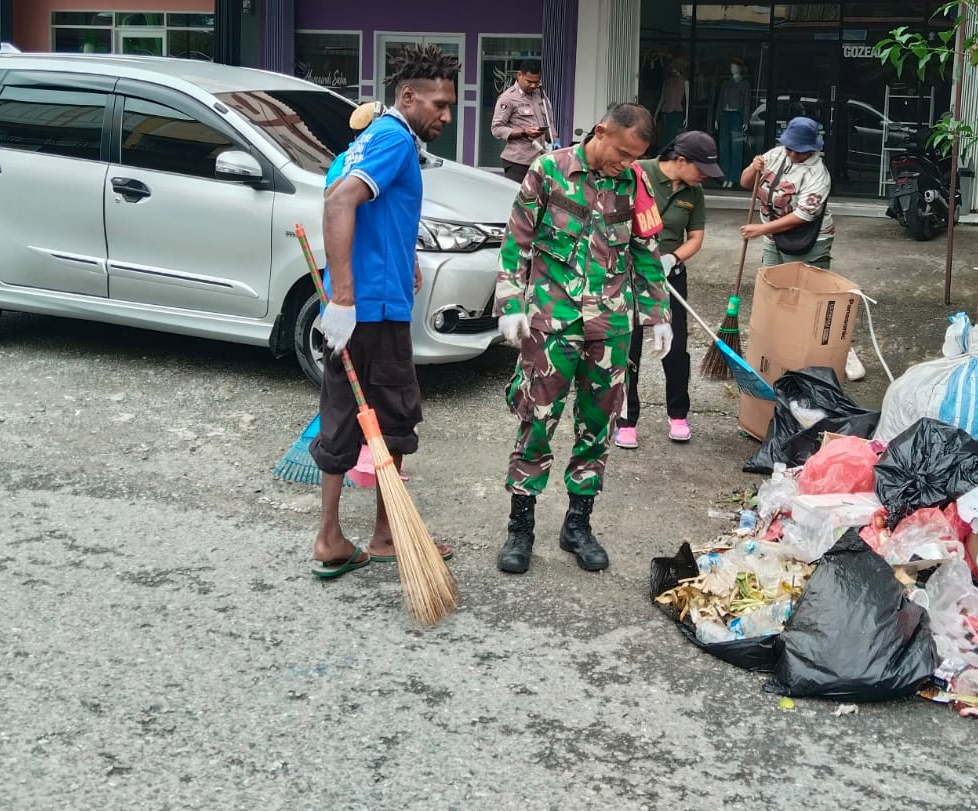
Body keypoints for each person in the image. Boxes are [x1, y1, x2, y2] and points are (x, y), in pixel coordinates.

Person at [493, 102, 672, 575]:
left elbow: (647, 251)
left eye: (636, 157)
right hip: (553, 319)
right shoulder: (547, 171)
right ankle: (521, 528)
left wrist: (659, 315)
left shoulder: (635, 183)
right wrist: (511, 303)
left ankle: (577, 525)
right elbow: (518, 240)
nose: (625, 163)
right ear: (601, 132)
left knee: (599, 427)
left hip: (611, 324)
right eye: (621, 153)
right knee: (538, 420)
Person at [308, 44, 459, 580]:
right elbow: (339, 202)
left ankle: (330, 538)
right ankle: (385, 534)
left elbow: (370, 209)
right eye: (438, 105)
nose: (445, 116)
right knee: (393, 417)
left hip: (361, 304)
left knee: (341, 417)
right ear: (408, 95)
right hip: (372, 310)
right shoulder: (394, 139)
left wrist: (406, 253)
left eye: (450, 107)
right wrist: (347, 298)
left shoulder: (369, 139)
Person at [615, 130, 721, 449]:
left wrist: (672, 257)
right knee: (628, 346)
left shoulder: (694, 191)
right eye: (701, 169)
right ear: (681, 160)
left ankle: (678, 414)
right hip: (630, 274)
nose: (704, 177)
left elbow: (696, 238)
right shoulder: (637, 172)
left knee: (675, 348)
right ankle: (626, 419)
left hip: (670, 275)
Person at [739, 116, 836, 271]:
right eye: (789, 148)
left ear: (811, 148)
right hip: (773, 235)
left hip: (807, 238)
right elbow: (745, 183)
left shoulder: (818, 174)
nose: (791, 154)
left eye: (798, 151)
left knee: (801, 290)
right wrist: (753, 168)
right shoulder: (775, 155)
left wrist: (761, 229)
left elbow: (804, 215)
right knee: (770, 284)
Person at [490, 59, 557, 183]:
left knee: (538, 200)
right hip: (518, 162)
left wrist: (555, 142)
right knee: (519, 199)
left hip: (541, 159)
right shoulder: (508, 98)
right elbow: (496, 128)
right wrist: (524, 132)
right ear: (519, 75)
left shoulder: (540, 95)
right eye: (529, 81)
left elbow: (549, 121)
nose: (533, 85)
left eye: (536, 82)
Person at [715, 59, 751, 187]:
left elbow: (747, 103)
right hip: (725, 115)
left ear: (740, 68)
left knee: (736, 148)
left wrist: (746, 120)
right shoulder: (726, 83)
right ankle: (724, 176)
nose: (732, 68)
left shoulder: (744, 84)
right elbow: (720, 101)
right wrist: (717, 118)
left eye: (734, 66)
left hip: (737, 116)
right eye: (731, 66)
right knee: (724, 147)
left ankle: (734, 178)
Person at [656, 59, 688, 149]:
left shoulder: (684, 82)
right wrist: (655, 115)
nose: (673, 70)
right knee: (664, 138)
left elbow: (688, 100)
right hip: (666, 113)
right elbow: (662, 99)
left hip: (677, 112)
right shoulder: (666, 82)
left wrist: (687, 117)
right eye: (672, 68)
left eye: (674, 68)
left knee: (674, 138)